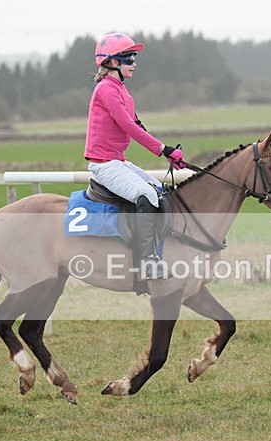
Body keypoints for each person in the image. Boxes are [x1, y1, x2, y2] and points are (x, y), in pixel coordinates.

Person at [85, 32, 185, 281]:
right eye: (129, 58)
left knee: (158, 190)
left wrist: (169, 153)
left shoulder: (120, 89)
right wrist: (164, 150)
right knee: (147, 195)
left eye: (134, 57)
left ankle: (160, 249)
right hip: (104, 164)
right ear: (112, 62)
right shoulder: (106, 89)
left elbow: (137, 124)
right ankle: (145, 262)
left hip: (117, 160)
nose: (134, 63)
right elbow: (129, 127)